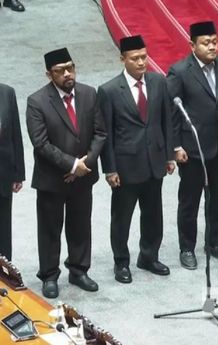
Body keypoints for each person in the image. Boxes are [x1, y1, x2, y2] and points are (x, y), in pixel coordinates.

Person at [26, 48, 106, 298]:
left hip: (83, 176)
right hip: (53, 179)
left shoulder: (89, 94)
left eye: (71, 67)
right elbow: (41, 144)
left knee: (80, 224)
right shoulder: (37, 101)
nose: (68, 74)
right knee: (50, 229)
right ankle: (49, 275)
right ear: (49, 74)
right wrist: (72, 165)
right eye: (61, 71)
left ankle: (79, 270)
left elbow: (100, 133)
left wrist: (84, 165)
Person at [98, 35, 174, 284]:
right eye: (136, 58)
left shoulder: (158, 82)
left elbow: (166, 121)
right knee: (122, 217)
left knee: (153, 213)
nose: (142, 62)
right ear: (123, 59)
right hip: (126, 165)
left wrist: (169, 155)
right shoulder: (109, 90)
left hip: (154, 160)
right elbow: (105, 133)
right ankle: (121, 262)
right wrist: (109, 169)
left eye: (144, 56)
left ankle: (149, 256)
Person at [167, 21, 218, 270]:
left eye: (214, 42)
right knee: (189, 201)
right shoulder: (179, 72)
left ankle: (214, 242)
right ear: (192, 45)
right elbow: (172, 113)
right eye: (206, 43)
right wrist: (176, 146)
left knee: (216, 197)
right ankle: (187, 247)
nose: (212, 47)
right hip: (193, 148)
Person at [0, 84, 25, 261]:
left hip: (3, 172)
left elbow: (16, 133)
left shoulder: (6, 92)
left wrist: (18, 173)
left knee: (3, 228)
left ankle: (3, 274)